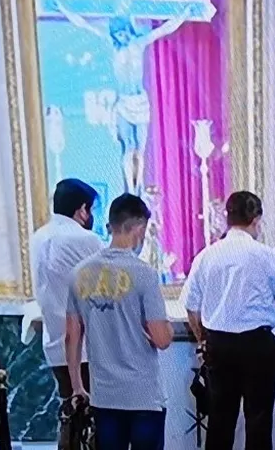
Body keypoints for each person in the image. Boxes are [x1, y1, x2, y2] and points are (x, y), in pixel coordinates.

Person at [183, 191, 275, 450]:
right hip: (257, 344)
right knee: (259, 420)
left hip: (219, 344)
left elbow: (190, 305)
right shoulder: (264, 255)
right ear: (256, 220)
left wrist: (202, 339)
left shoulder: (207, 255)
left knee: (220, 420)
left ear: (228, 218)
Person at [65, 193, 173, 450]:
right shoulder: (144, 274)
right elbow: (162, 339)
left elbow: (71, 335)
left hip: (104, 396)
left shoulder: (79, 273)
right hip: (143, 395)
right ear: (139, 227)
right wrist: (162, 328)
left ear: (111, 226)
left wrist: (77, 386)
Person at [52, 0, 194, 195]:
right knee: (128, 145)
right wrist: (63, 8)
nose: (122, 36)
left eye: (124, 32)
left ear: (128, 29)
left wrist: (183, 15)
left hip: (140, 102)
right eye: (118, 34)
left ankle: (139, 188)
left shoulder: (139, 43)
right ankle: (130, 188)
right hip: (124, 103)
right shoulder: (113, 45)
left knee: (140, 149)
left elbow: (163, 30)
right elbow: (85, 24)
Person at [31, 178, 103, 398]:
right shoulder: (87, 239)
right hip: (86, 348)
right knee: (93, 410)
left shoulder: (38, 237)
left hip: (54, 343)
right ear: (82, 210)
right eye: (91, 210)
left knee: (69, 406)